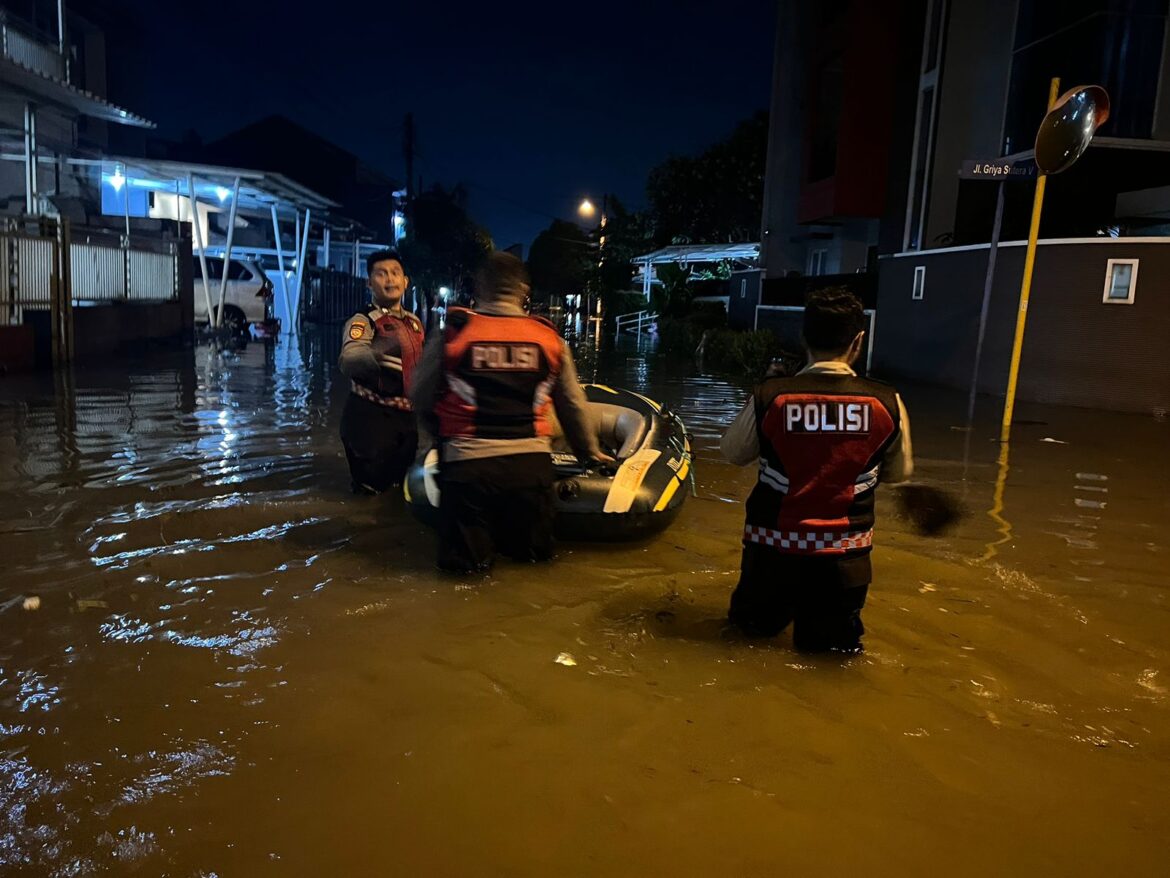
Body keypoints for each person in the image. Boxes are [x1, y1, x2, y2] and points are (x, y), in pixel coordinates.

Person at [719, 287, 913, 653]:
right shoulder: (888, 402)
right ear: (858, 340)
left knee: (744, 647)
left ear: (803, 336)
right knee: (831, 662)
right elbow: (898, 473)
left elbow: (732, 453)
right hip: (845, 566)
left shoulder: (772, 396)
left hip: (771, 559)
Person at [411, 251, 610, 572]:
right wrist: (590, 453)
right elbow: (572, 405)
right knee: (529, 567)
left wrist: (440, 440)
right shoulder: (549, 339)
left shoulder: (455, 333)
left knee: (464, 574)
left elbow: (420, 396)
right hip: (528, 470)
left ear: (479, 288)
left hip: (467, 470)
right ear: (523, 290)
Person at [338, 250, 425, 494]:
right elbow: (349, 358)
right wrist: (376, 353)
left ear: (405, 282)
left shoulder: (414, 323)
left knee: (400, 491)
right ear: (369, 283)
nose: (390, 279)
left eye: (396, 273)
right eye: (381, 274)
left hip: (405, 420)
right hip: (369, 418)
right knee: (370, 494)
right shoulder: (363, 321)